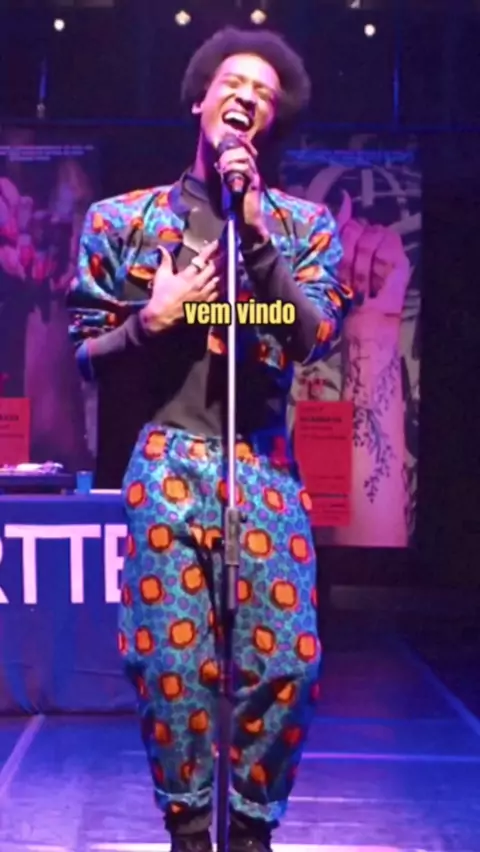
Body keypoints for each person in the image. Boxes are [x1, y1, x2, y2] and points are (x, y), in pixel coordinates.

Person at [68, 26, 354, 852]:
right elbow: (84, 353)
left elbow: (314, 337)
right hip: (168, 459)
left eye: (264, 94)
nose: (247, 97)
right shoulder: (124, 221)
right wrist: (148, 322)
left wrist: (257, 240)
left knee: (289, 662)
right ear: (200, 100)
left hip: (264, 463)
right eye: (234, 83)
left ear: (271, 124)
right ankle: (192, 831)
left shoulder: (303, 228)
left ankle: (251, 830)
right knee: (171, 664)